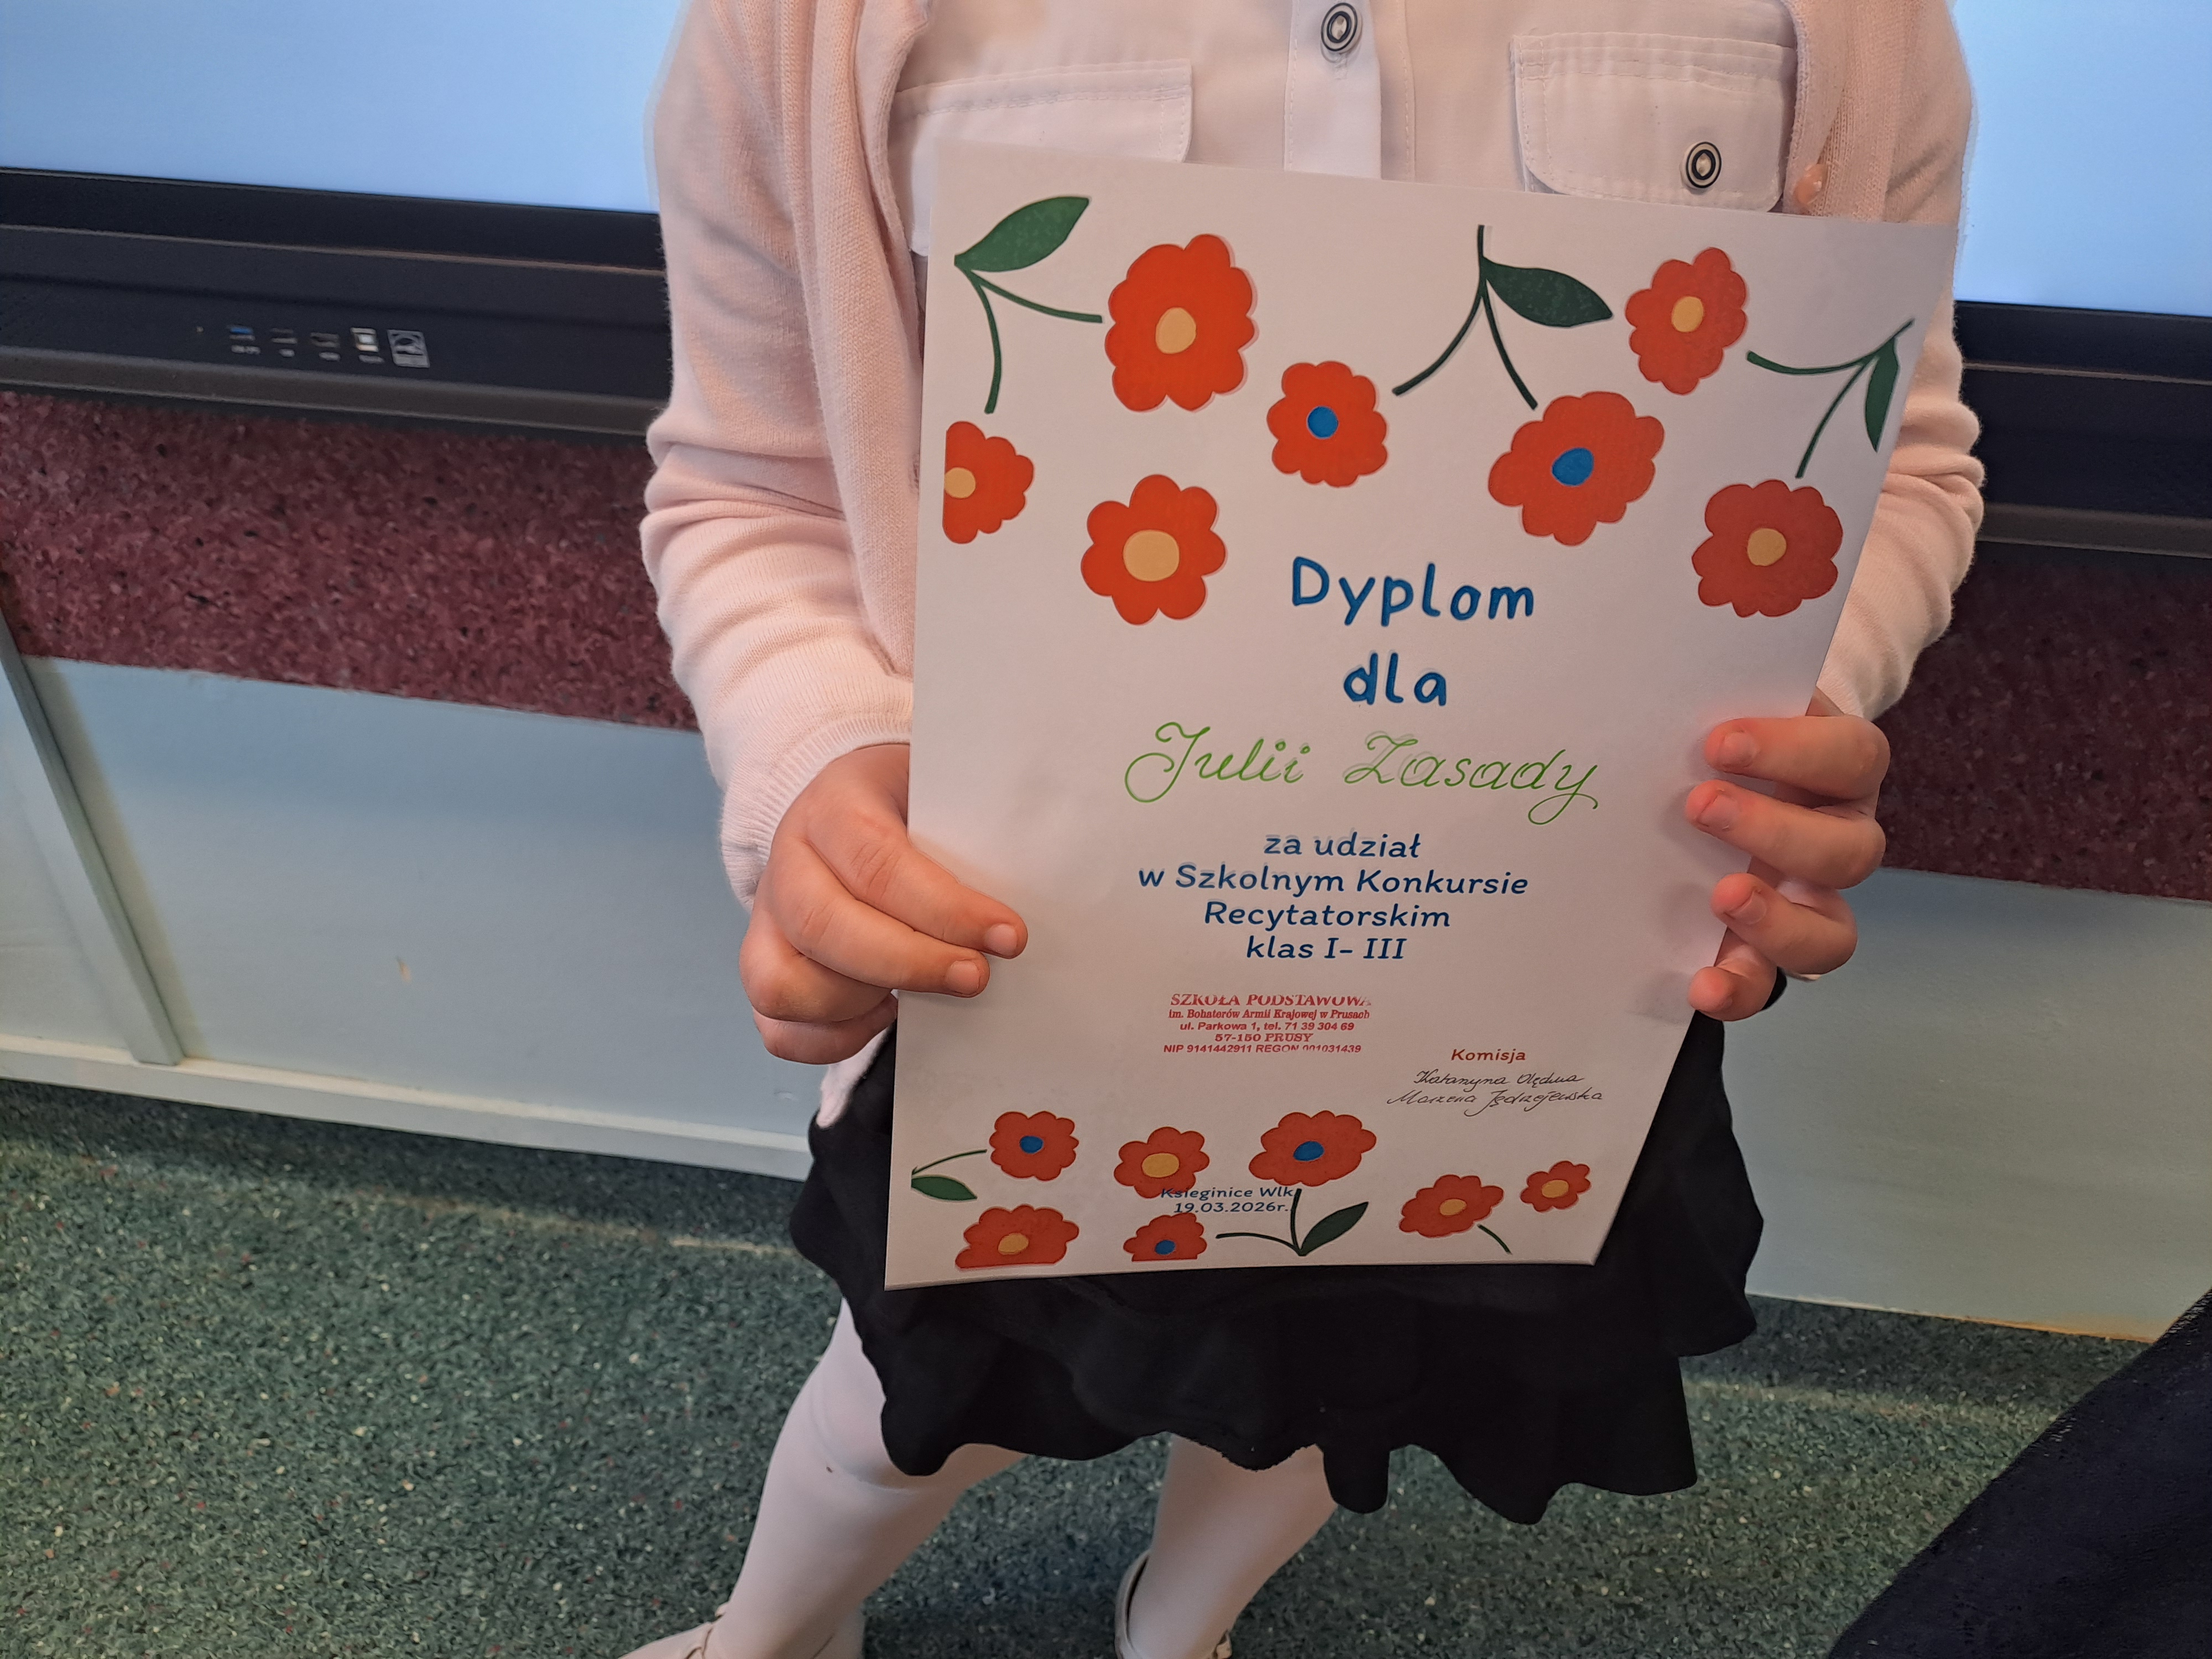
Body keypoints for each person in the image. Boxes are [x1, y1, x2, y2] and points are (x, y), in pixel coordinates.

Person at [623, 2, 1981, 1656]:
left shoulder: (1853, 26)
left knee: (1351, 1388)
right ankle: (773, 1635)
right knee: (917, 1393)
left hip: (1517, 977)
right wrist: (823, 761)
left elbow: (1898, 454)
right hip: (1048, 964)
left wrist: (1772, 705)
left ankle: (1177, 1628)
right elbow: (758, 484)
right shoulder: (809, 27)